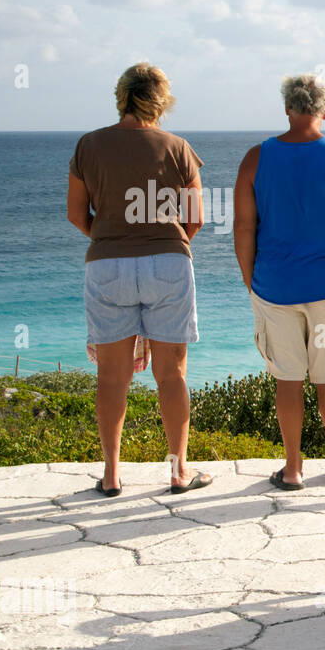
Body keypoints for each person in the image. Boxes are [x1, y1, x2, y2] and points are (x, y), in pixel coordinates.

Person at [67, 62, 213, 497]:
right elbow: (197, 219)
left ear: (121, 96)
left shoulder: (89, 145)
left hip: (106, 265)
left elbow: (77, 215)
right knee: (171, 376)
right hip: (167, 263)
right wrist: (161, 242)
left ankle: (111, 475)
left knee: (112, 379)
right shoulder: (177, 147)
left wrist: (114, 238)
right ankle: (178, 471)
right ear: (161, 100)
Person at [233, 74, 325, 490]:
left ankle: (293, 468)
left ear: (287, 109)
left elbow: (243, 227)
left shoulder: (255, 159)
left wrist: (251, 281)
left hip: (274, 287)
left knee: (288, 379)